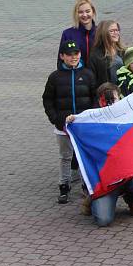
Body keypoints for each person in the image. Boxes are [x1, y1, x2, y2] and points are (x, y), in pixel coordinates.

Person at [67, 83, 133, 225]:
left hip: (128, 176)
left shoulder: (130, 116)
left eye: (113, 99)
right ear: (99, 101)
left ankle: (132, 199)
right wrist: (72, 122)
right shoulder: (92, 120)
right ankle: (91, 197)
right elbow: (74, 134)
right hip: (105, 181)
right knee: (103, 220)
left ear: (120, 98)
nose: (110, 103)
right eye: (105, 100)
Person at [43, 40, 98, 204]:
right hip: (63, 127)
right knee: (65, 157)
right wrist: (56, 119)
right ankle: (64, 186)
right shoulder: (55, 77)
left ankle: (85, 186)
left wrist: (89, 117)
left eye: (76, 54)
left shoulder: (88, 74)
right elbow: (48, 100)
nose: (73, 57)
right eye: (69, 54)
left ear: (80, 54)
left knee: (83, 157)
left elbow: (95, 98)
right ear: (62, 56)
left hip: (83, 126)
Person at [58, 0, 97, 67]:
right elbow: (61, 61)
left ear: (93, 12)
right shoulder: (68, 34)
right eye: (80, 12)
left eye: (88, 11)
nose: (84, 15)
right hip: (76, 75)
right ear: (76, 14)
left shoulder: (101, 32)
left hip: (98, 76)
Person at [87, 20, 125, 87]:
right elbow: (92, 80)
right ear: (103, 34)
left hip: (123, 91)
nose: (116, 33)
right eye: (112, 31)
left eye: (117, 30)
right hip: (107, 93)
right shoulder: (96, 55)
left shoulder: (122, 51)